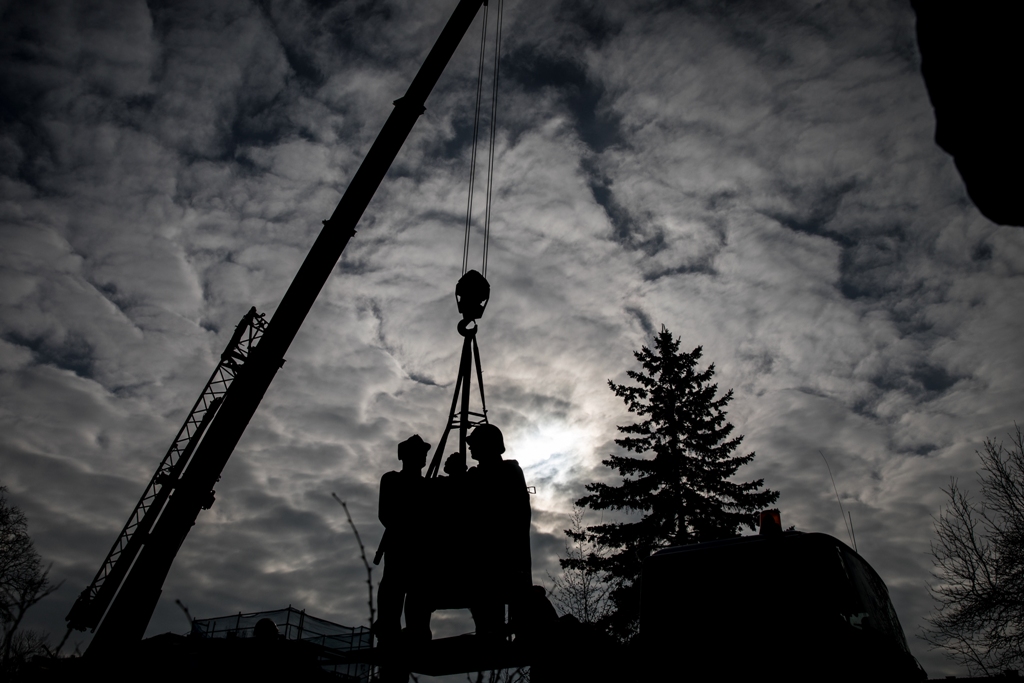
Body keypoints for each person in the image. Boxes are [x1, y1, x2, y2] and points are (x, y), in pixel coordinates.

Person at [463, 424, 532, 637]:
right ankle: (491, 633)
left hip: (507, 554)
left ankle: (516, 630)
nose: (470, 449)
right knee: (488, 618)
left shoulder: (509, 471)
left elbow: (513, 513)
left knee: (513, 603)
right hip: (485, 558)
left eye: (474, 444)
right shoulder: (475, 475)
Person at [375, 434, 431, 644]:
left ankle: (417, 633)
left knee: (418, 594)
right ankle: (388, 632)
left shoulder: (428, 487)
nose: (422, 457)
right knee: (393, 590)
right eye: (418, 453)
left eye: (423, 453)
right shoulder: (391, 480)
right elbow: (386, 514)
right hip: (398, 546)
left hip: (419, 550)